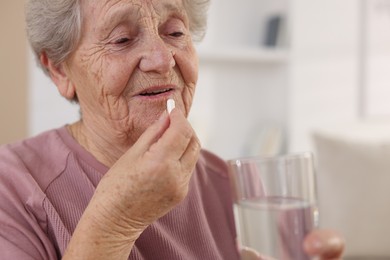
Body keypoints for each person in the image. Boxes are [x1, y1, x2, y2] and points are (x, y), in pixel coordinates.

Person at [0, 0, 344, 259]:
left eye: (175, 33)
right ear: (60, 70)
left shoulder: (232, 187)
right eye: (122, 39)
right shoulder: (11, 189)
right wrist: (116, 220)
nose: (163, 59)